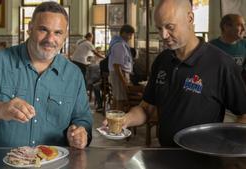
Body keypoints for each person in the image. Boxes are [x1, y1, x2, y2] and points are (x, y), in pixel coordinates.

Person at [104, 0, 246, 147]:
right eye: (159, 28)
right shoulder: (162, 60)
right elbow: (147, 108)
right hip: (166, 155)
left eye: (170, 27)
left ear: (189, 18)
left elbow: (243, 114)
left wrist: (228, 147)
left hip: (204, 159)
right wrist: (126, 119)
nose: (164, 35)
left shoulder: (221, 64)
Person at [0, 2, 92, 149]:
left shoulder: (73, 75)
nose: (50, 39)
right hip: (2, 164)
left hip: (55, 164)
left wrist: (80, 134)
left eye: (58, 32)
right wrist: (2, 109)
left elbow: (83, 120)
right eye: (43, 30)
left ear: (65, 35)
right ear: (30, 29)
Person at [210, 14, 246, 82]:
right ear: (226, 27)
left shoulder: (244, 44)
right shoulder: (211, 47)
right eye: (239, 25)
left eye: (244, 25)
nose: (244, 29)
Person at [108, 24, 135, 110]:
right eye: (129, 34)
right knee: (120, 100)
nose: (130, 37)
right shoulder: (119, 45)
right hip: (119, 74)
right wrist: (124, 81)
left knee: (117, 99)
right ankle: (116, 122)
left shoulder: (121, 44)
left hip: (119, 73)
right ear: (123, 33)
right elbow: (117, 66)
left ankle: (111, 121)